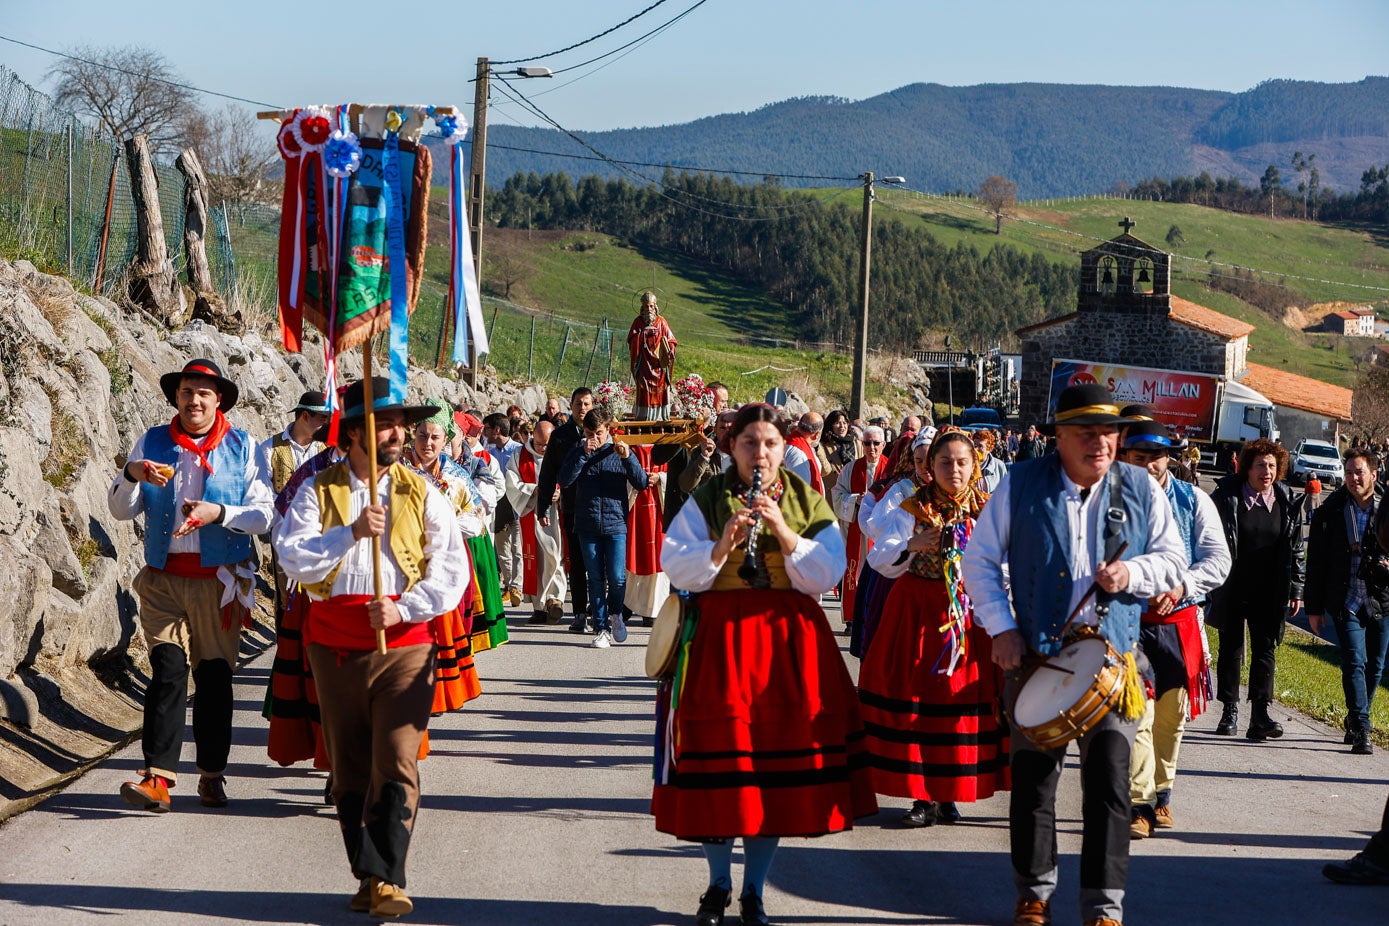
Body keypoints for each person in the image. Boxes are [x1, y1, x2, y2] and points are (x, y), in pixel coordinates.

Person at [960, 383, 1186, 926]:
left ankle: (1103, 906)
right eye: (1085, 433)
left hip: (1114, 663)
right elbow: (979, 562)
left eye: (1108, 432)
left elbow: (1174, 558)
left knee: (1109, 787)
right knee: (1034, 785)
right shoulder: (1021, 484)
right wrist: (1002, 628)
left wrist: (1132, 572)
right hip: (1038, 657)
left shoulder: (1140, 487)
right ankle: (1034, 893)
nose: (1100, 443)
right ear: (1057, 435)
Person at [655, 403, 877, 926]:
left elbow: (826, 572)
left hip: (786, 648)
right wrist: (720, 546)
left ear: (785, 448)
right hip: (719, 643)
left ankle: (753, 890)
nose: (760, 453)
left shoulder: (804, 500)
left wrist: (785, 533)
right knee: (721, 763)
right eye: (749, 443)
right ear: (733, 447)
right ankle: (717, 884)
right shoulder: (709, 497)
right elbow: (673, 561)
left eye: (769, 444)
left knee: (771, 770)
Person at [275, 377, 468, 918]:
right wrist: (352, 532)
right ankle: (368, 874)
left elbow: (451, 569)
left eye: (401, 423)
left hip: (404, 645)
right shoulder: (320, 489)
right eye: (386, 423)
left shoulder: (421, 491)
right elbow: (292, 557)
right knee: (351, 768)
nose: (398, 433)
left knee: (398, 758)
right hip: (334, 645)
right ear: (355, 433)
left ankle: (386, 877)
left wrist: (404, 608)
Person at [108, 359, 273, 812]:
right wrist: (130, 475)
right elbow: (122, 510)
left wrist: (219, 513)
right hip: (163, 580)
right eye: (186, 391)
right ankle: (157, 777)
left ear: (218, 399)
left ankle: (212, 773)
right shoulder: (152, 442)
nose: (194, 400)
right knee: (167, 670)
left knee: (215, 679)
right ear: (176, 397)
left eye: (203, 392)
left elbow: (264, 515)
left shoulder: (244, 447)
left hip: (218, 583)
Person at [860, 429, 1009, 828]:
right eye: (945, 462)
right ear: (930, 467)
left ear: (974, 466)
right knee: (918, 699)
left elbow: (1006, 564)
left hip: (967, 614)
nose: (954, 470)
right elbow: (879, 557)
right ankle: (921, 795)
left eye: (962, 462)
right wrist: (913, 545)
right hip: (917, 612)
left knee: (957, 701)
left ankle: (949, 793)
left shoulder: (987, 509)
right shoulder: (914, 506)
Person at [1118, 421, 1231, 839]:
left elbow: (1218, 560)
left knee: (1171, 719)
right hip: (1131, 622)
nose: (1148, 465)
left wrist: (1183, 586)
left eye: (1156, 457)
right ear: (1125, 458)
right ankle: (1139, 803)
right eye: (1139, 457)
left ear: (1171, 457)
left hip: (1180, 623)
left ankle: (1162, 794)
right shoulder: (1111, 502)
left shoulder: (1194, 500)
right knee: (1138, 714)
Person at [1207, 438, 1306, 740]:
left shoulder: (1287, 500)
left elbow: (1297, 549)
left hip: (1270, 590)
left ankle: (1260, 715)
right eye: (1260, 465)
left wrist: (1296, 590)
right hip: (1233, 586)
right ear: (1247, 468)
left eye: (1272, 466)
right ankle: (1229, 711)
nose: (1267, 471)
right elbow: (1210, 537)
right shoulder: (1227, 497)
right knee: (1231, 649)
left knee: (1265, 650)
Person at [402, 403, 486, 712]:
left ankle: (440, 693)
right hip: (405, 563)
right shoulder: (396, 469)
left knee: (443, 628)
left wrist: (443, 522)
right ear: (413, 435)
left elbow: (477, 520)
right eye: (422, 435)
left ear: (446, 438)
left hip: (444, 561)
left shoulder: (457, 475)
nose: (427, 443)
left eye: (435, 437)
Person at [1305, 448, 1387, 755]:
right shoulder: (1332, 510)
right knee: (1355, 659)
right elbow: (1316, 561)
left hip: (1382, 598)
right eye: (1349, 472)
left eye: (1359, 472)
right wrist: (1313, 607)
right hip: (1346, 598)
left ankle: (1354, 716)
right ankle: (1363, 727)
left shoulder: (1386, 510)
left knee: (1376, 666)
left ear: (1374, 475)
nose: (1353, 478)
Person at [559, 408, 648, 648]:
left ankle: (616, 614)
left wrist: (628, 457)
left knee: (618, 578)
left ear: (607, 430)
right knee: (595, 578)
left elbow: (642, 482)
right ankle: (601, 628)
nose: (594, 438)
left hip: (616, 523)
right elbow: (565, 480)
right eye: (589, 433)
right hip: (587, 524)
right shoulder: (579, 450)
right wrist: (581, 455)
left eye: (598, 433)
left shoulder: (618, 450)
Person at [536, 387, 594, 631]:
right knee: (578, 562)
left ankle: (600, 611)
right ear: (570, 406)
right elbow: (548, 473)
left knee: (598, 563)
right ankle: (580, 612)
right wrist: (542, 508)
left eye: (587, 404)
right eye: (578, 403)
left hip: (599, 506)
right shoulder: (560, 436)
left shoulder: (602, 432)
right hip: (572, 508)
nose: (583, 408)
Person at [505, 420, 568, 624]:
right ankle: (539, 607)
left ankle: (555, 599)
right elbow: (512, 483)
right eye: (539, 444)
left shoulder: (561, 452)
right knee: (535, 560)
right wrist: (534, 490)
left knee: (554, 554)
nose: (543, 448)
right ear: (533, 436)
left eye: (547, 444)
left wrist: (561, 493)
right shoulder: (520, 455)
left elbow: (572, 477)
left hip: (555, 514)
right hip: (531, 512)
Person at [832, 425, 888, 624]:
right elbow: (837, 495)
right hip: (855, 530)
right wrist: (856, 499)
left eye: (875, 443)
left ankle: (873, 617)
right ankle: (852, 618)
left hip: (880, 533)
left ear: (883, 444)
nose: (871, 448)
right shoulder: (851, 468)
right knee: (854, 572)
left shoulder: (890, 468)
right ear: (861, 444)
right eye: (866, 443)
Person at [484, 413, 524, 607]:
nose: (485, 433)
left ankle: (517, 586)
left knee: (518, 548)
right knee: (502, 549)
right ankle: (509, 586)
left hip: (517, 506)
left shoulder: (518, 451)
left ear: (496, 430)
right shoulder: (488, 452)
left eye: (487, 429)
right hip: (499, 507)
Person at [628, 290, 678, 420]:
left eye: (651, 306)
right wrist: (643, 334)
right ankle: (643, 416)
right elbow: (632, 339)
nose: (649, 309)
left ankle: (660, 417)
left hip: (659, 365)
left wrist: (670, 349)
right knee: (643, 389)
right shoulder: (638, 322)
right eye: (646, 306)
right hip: (644, 364)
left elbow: (671, 340)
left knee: (661, 391)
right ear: (642, 307)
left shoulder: (662, 322)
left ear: (655, 307)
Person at [820, 409, 859, 489]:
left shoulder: (857, 444)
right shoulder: (823, 446)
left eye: (844, 423)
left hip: (853, 493)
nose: (842, 426)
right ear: (830, 425)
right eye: (837, 423)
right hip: (832, 492)